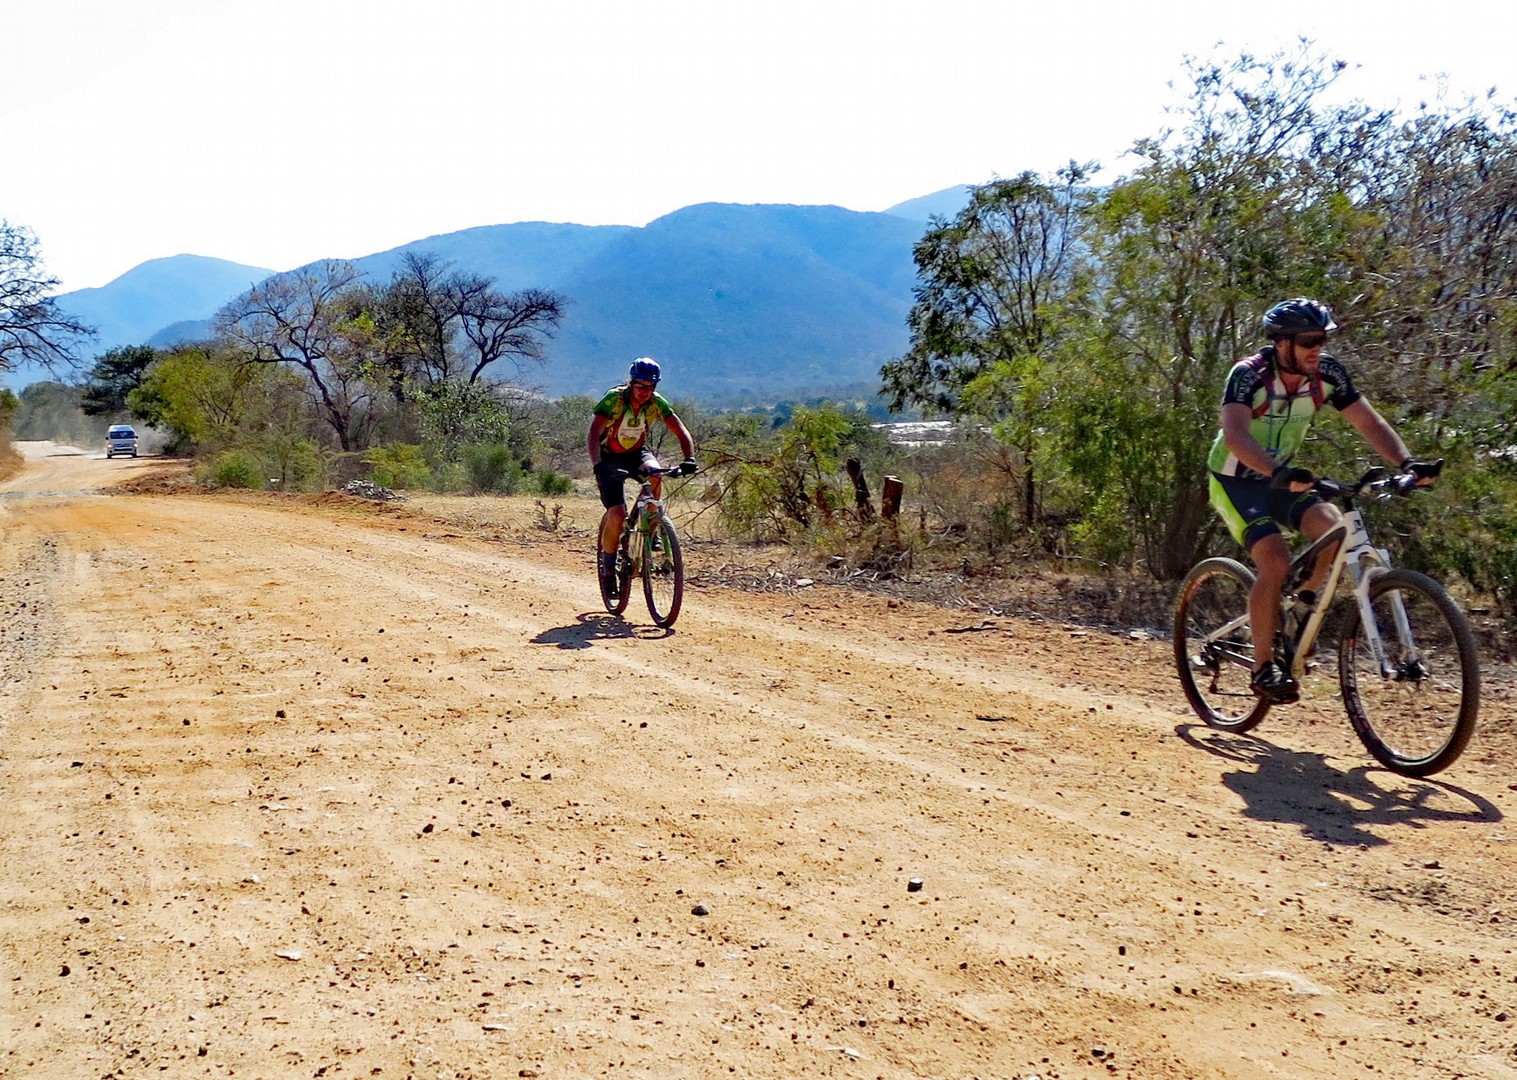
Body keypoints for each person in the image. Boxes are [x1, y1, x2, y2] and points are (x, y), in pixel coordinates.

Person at [1206, 298, 1441, 703]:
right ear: (1282, 344)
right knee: (1275, 561)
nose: (1318, 349)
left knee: (1335, 531)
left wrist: (1407, 463)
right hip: (1236, 480)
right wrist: (1275, 472)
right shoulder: (1249, 375)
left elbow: (1368, 422)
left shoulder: (1327, 374)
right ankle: (1263, 667)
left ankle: (1301, 609)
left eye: (1324, 339)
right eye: (1309, 341)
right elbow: (1236, 437)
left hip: (1284, 480)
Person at [588, 357, 697, 596]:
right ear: (631, 382)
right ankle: (608, 569)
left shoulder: (656, 403)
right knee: (616, 514)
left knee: (656, 474)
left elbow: (680, 430)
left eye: (651, 387)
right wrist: (598, 465)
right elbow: (594, 432)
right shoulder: (614, 399)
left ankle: (652, 525)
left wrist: (689, 458)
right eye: (641, 386)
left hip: (636, 453)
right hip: (609, 457)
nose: (646, 392)